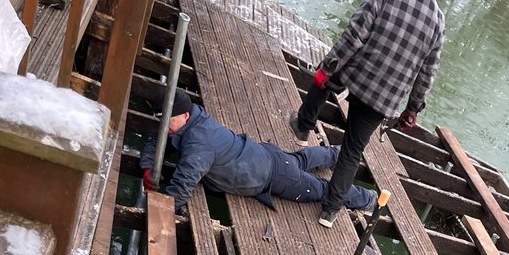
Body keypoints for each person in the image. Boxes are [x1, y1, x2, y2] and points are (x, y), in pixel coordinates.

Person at [288, 0, 445, 228]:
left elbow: (354, 36)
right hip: (385, 98)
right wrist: (412, 110)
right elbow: (426, 74)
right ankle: (330, 211)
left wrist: (327, 68)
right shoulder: (438, 19)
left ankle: (303, 127)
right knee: (352, 150)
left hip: (356, 74)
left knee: (324, 77)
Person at [141, 90, 376, 215]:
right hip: (264, 156)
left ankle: (367, 199)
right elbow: (158, 136)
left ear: (184, 116)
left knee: (323, 189)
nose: (164, 126)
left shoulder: (198, 144)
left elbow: (182, 185)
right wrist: (148, 165)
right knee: (298, 160)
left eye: (166, 120)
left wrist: (161, 210)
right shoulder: (193, 119)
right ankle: (336, 154)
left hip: (272, 175)